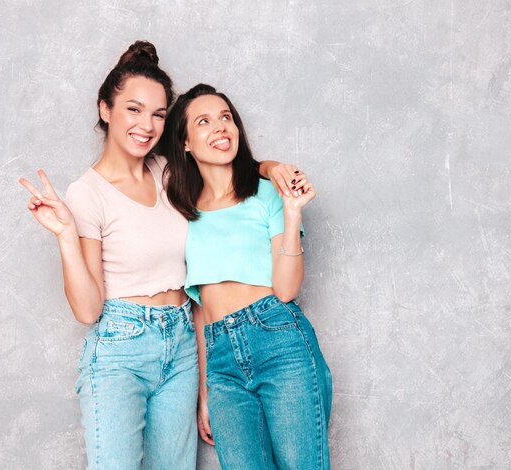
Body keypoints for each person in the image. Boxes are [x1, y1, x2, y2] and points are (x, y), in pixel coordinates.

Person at [19, 41, 302, 470]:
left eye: (157, 113)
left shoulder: (170, 173)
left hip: (183, 345)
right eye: (133, 109)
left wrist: (272, 167)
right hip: (121, 347)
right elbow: (87, 309)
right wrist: (64, 235)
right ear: (105, 110)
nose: (146, 125)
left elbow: (228, 163)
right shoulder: (86, 194)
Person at [163, 83, 333, 470]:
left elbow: (287, 289)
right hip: (221, 361)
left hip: (278, 340)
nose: (220, 128)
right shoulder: (184, 213)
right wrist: (205, 391)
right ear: (186, 143)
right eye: (204, 121)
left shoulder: (268, 194)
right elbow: (201, 311)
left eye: (226, 118)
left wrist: (291, 213)